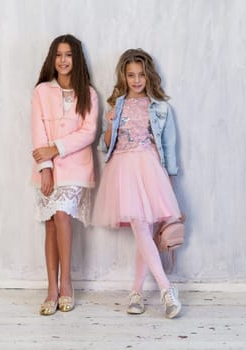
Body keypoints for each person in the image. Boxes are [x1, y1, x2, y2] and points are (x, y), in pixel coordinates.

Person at [93, 48, 184, 319]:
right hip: (122, 171)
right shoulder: (116, 106)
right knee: (141, 228)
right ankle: (166, 290)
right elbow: (105, 145)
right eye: (131, 75)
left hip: (149, 170)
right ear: (123, 76)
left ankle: (136, 293)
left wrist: (168, 183)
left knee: (144, 232)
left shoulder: (159, 107)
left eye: (141, 75)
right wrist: (109, 124)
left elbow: (168, 146)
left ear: (148, 76)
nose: (136, 80)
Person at [30, 34, 98, 316]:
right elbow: (38, 133)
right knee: (50, 224)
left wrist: (54, 149)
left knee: (62, 216)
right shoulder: (41, 92)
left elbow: (89, 132)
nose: (63, 60)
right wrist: (45, 168)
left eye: (68, 55)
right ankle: (51, 289)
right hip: (49, 169)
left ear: (76, 58)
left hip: (76, 166)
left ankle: (66, 283)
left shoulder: (88, 93)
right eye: (58, 55)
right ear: (52, 58)